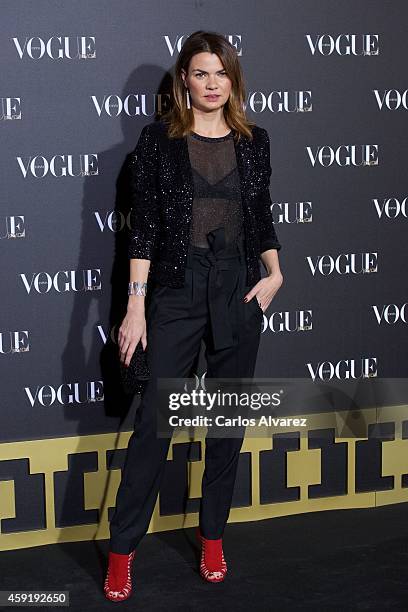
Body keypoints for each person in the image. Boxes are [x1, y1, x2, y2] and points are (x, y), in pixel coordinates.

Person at [104, 30, 283, 602]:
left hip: (237, 286)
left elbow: (260, 217)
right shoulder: (158, 141)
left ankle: (212, 539)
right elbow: (148, 229)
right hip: (177, 291)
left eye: (221, 73)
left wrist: (274, 272)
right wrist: (136, 306)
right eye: (200, 73)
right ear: (184, 79)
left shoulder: (255, 141)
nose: (211, 84)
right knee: (155, 423)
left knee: (227, 424)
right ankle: (121, 552)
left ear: (233, 80)